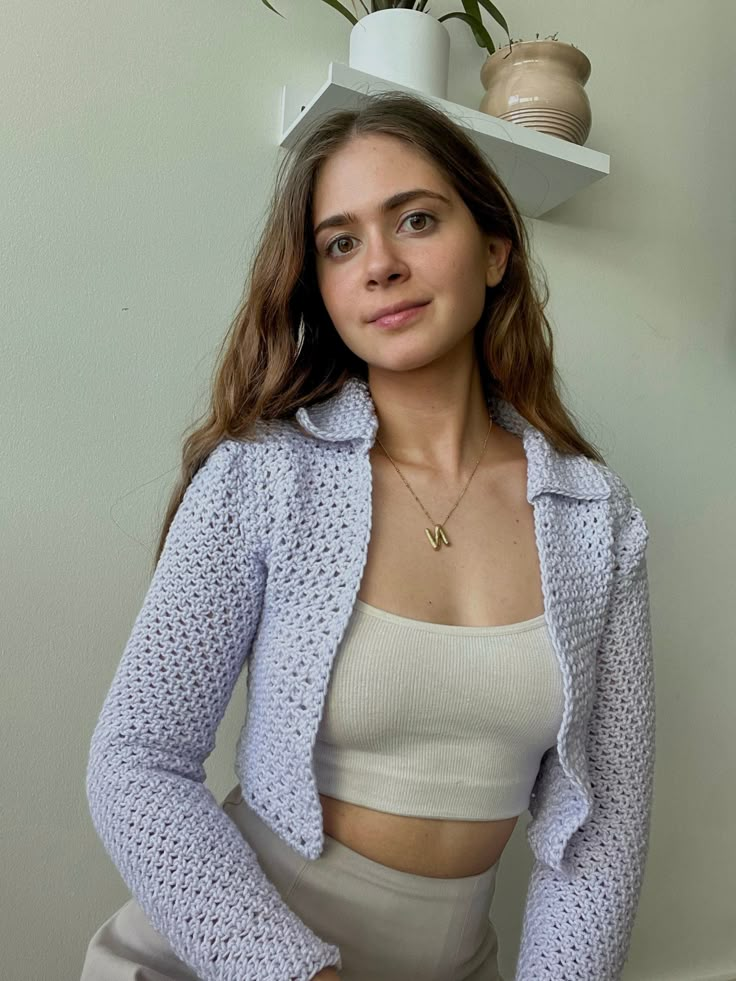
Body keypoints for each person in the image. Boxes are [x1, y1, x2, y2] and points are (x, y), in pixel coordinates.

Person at [80, 91, 655, 981]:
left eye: (416, 219)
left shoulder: (596, 514)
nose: (379, 264)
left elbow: (603, 825)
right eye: (340, 242)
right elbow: (135, 763)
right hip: (233, 959)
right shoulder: (263, 474)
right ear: (321, 283)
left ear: (495, 248)